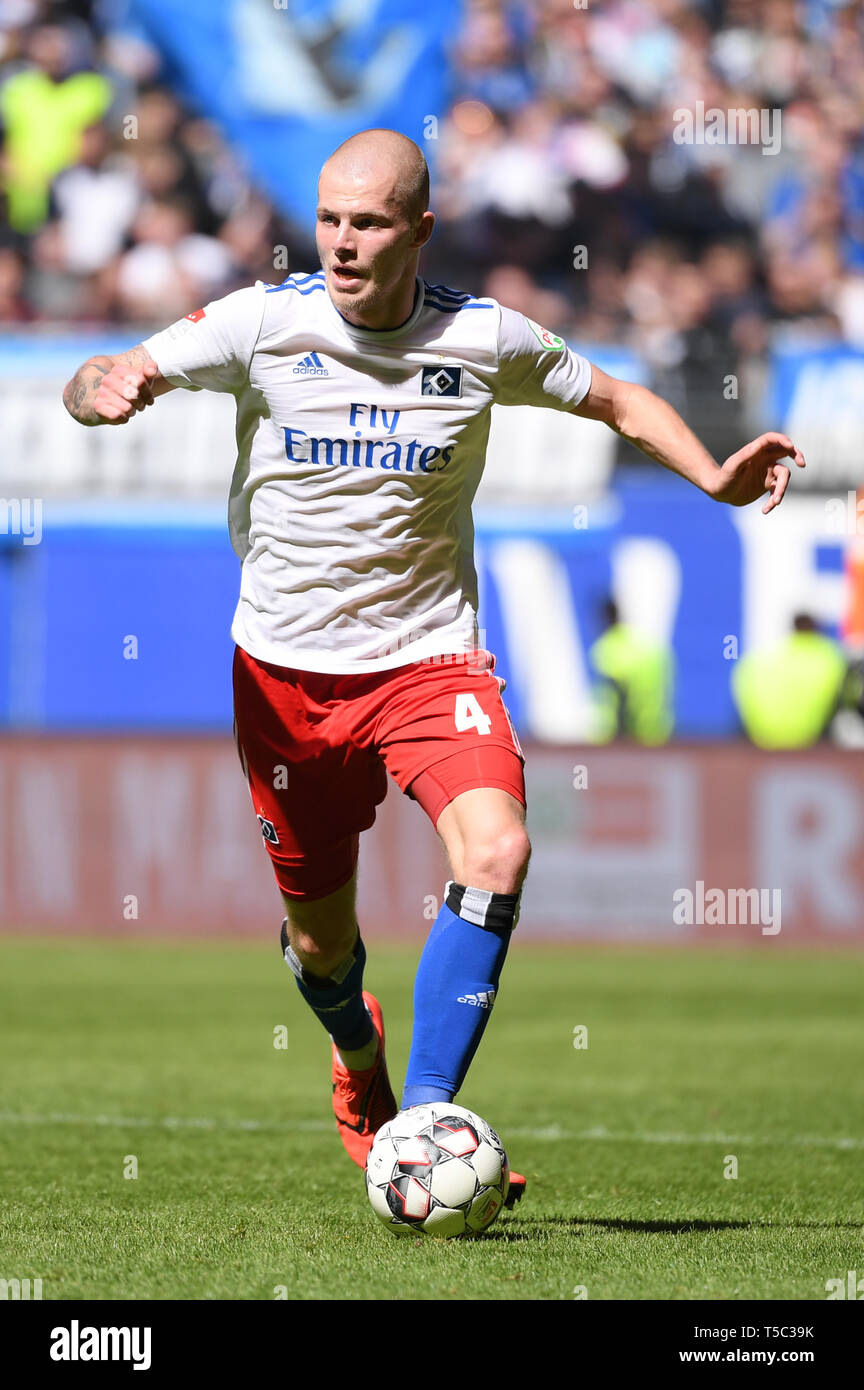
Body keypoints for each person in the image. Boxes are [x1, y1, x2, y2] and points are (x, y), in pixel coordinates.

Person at [63, 128, 804, 1206]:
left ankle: (421, 1119)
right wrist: (111, 380)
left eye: (368, 223)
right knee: (323, 951)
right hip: (283, 680)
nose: (344, 243)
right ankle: (355, 1054)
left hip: (428, 663)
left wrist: (715, 480)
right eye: (329, 220)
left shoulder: (483, 337)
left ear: (419, 228)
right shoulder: (262, 321)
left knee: (498, 849)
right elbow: (94, 378)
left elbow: (620, 399)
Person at [732, 613, 848, 749]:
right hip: (812, 741)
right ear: (818, 631)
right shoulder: (831, 657)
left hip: (762, 739)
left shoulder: (759, 660)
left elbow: (742, 680)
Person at [590, 598, 674, 744]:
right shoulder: (650, 649)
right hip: (657, 733)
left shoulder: (607, 649)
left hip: (621, 737)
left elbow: (618, 695)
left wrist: (620, 737)